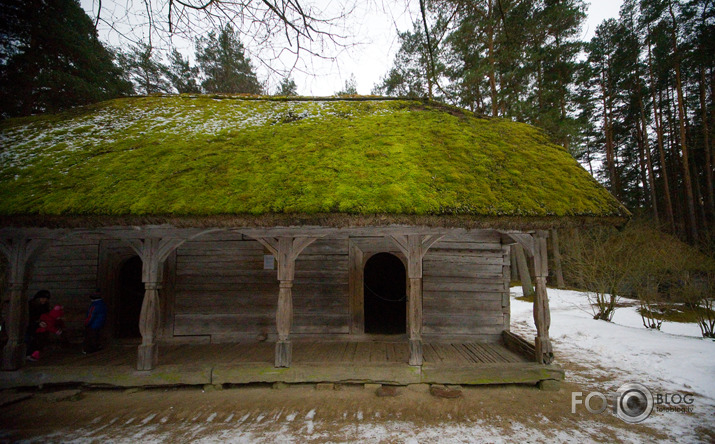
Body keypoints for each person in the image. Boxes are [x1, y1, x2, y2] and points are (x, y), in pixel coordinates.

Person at [26, 290, 51, 361]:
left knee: (41, 337)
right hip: (30, 325)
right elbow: (29, 317)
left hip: (40, 325)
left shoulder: (45, 306)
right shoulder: (31, 305)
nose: (44, 300)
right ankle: (29, 354)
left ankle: (34, 353)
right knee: (33, 337)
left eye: (46, 299)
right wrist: (37, 323)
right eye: (42, 298)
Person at [83, 290, 107, 354]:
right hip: (100, 323)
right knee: (97, 336)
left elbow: (91, 315)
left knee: (91, 336)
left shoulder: (94, 305)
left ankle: (90, 349)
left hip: (93, 324)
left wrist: (86, 323)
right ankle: (97, 347)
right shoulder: (103, 304)